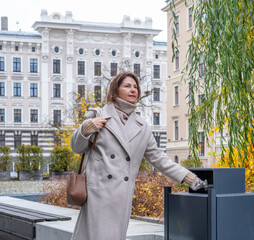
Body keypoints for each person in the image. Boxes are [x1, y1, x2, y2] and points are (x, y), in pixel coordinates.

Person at [70, 72, 207, 240]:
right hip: (97, 195)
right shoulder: (97, 115)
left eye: (135, 87)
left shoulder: (142, 126)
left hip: (121, 197)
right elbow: (76, 148)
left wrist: (189, 178)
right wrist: (85, 128)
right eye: (127, 86)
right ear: (115, 90)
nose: (133, 90)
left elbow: (159, 159)